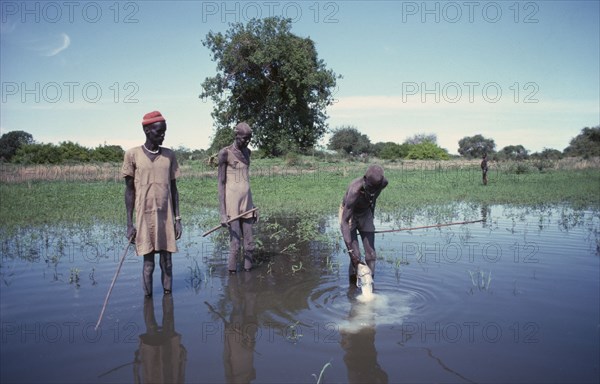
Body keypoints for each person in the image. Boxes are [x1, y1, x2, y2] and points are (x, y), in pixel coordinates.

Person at [122, 110, 182, 297]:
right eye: (159, 132)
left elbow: (173, 189)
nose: (163, 135)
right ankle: (148, 301)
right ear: (147, 131)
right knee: (148, 264)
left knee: (167, 262)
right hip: (144, 217)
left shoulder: (169, 155)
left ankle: (167, 299)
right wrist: (129, 224)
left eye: (164, 131)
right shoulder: (132, 155)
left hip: (165, 216)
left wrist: (177, 218)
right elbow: (129, 190)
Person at [218, 122, 257, 273]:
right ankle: (233, 279)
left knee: (250, 245)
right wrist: (222, 213)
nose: (246, 142)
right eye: (244, 139)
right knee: (235, 244)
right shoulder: (225, 153)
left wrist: (252, 205)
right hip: (232, 204)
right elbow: (221, 183)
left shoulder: (248, 152)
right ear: (236, 136)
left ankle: (248, 277)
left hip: (247, 203)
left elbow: (246, 179)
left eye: (249, 139)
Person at [339, 164, 388, 283]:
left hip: (366, 212)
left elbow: (373, 198)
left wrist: (371, 217)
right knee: (356, 256)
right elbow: (344, 222)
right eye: (370, 187)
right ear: (365, 179)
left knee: (371, 254)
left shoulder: (383, 183)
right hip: (349, 214)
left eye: (375, 188)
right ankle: (352, 288)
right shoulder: (355, 190)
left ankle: (370, 286)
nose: (372, 191)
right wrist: (350, 250)